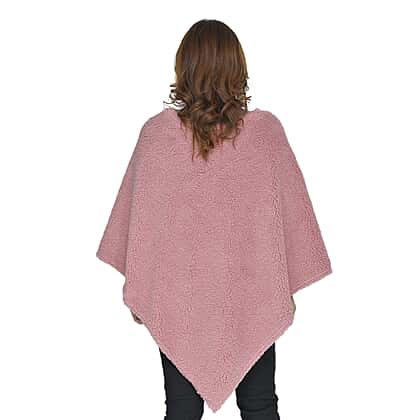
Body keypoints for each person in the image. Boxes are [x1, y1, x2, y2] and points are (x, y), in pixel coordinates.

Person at [96, 18, 332, 419]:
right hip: (250, 301)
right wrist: (278, 288)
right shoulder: (264, 134)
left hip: (183, 303)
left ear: (184, 69)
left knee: (182, 410)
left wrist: (144, 286)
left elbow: (286, 222)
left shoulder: (158, 136)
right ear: (237, 68)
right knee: (260, 405)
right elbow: (144, 228)